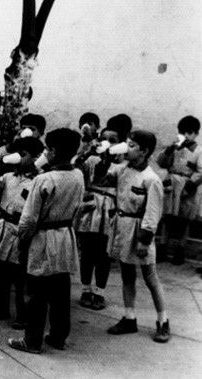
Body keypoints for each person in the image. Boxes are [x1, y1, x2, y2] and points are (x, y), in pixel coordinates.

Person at [7, 128, 84, 354]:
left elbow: (29, 218)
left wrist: (23, 240)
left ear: (52, 151)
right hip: (65, 236)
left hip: (43, 237)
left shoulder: (44, 179)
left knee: (37, 293)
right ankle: (59, 336)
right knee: (61, 290)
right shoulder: (78, 175)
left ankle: (32, 341)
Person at [94, 130, 170, 343]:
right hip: (122, 227)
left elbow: (153, 213)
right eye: (126, 144)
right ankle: (129, 317)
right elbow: (100, 179)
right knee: (127, 273)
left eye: (132, 146)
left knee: (150, 276)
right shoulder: (121, 169)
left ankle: (163, 321)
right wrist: (105, 158)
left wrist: (145, 240)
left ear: (144, 152)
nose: (127, 148)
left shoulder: (151, 179)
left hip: (139, 231)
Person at [0, 136, 44, 329]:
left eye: (23, 155)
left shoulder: (37, 180)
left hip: (21, 229)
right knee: (1, 272)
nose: (19, 158)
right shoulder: (8, 176)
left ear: (35, 158)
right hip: (4, 227)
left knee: (20, 276)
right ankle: (0, 308)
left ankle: (23, 314)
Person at [74, 114, 131, 310]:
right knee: (87, 251)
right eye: (104, 139)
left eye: (113, 141)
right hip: (91, 207)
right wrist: (88, 150)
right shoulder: (92, 160)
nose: (108, 143)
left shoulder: (123, 167)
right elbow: (76, 168)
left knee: (103, 254)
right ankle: (85, 289)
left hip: (109, 210)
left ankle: (99, 291)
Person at [156, 116, 202, 265]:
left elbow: (201, 172)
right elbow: (161, 163)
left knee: (185, 218)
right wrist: (170, 148)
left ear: (196, 134)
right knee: (167, 216)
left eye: (190, 133)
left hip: (187, 185)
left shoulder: (199, 151)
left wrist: (190, 186)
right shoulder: (174, 148)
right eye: (183, 132)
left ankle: (180, 249)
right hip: (172, 183)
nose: (186, 136)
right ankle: (162, 247)